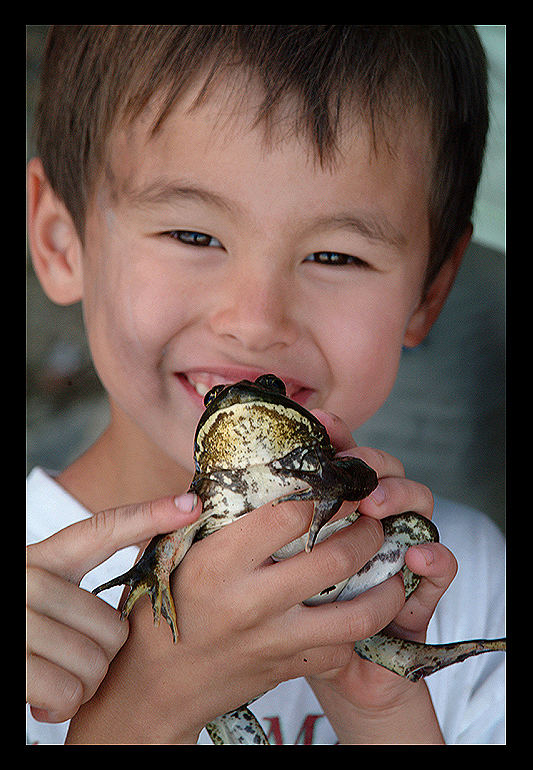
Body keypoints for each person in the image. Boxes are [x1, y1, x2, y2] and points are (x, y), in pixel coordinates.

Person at [26, 25, 505, 744]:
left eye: (336, 255)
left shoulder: (453, 573)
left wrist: (382, 711)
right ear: (63, 242)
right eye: (193, 236)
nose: (255, 324)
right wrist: (141, 708)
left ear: (429, 293)